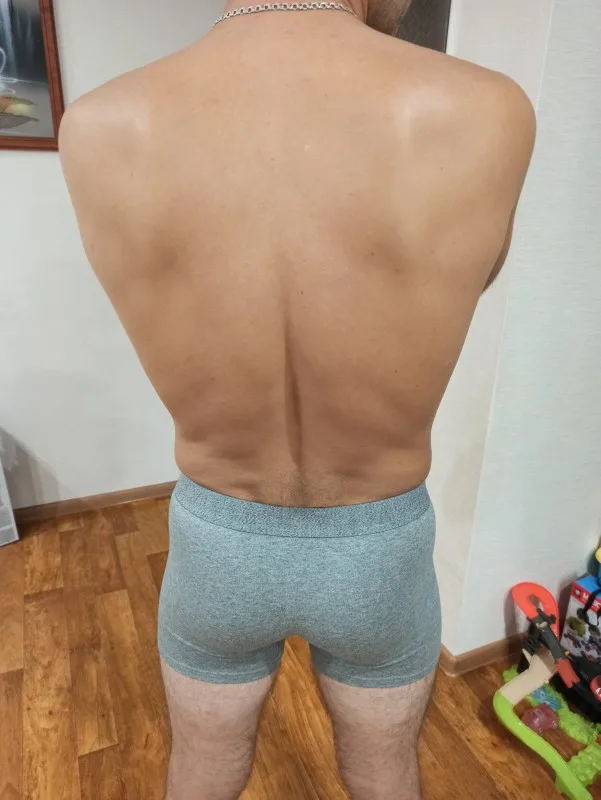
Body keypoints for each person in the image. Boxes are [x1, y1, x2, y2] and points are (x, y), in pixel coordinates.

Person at [59, 1, 536, 797]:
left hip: (219, 541)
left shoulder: (101, 124)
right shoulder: (488, 109)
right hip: (377, 550)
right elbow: (470, 279)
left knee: (200, 768)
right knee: (384, 773)